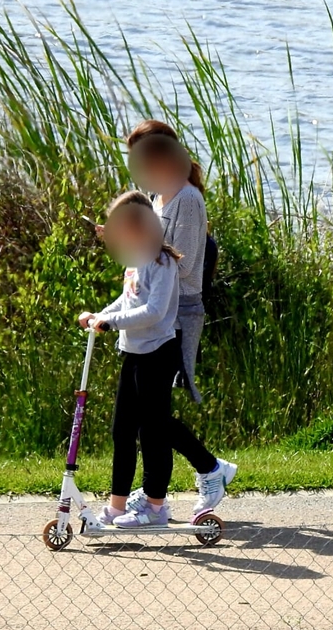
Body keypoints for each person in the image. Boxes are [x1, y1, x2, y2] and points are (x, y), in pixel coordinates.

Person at [124, 120, 237, 515]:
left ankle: (206, 471)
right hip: (155, 313)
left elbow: (185, 268)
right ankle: (170, 486)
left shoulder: (187, 199)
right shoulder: (158, 195)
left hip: (177, 314)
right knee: (147, 414)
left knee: (152, 414)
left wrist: (142, 251)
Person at [78, 191, 184, 528]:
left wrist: (112, 322)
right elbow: (126, 302)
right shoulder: (134, 260)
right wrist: (99, 315)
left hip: (157, 354)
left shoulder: (162, 262)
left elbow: (153, 312)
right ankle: (117, 506)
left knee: (153, 432)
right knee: (122, 431)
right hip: (134, 354)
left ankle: (155, 507)